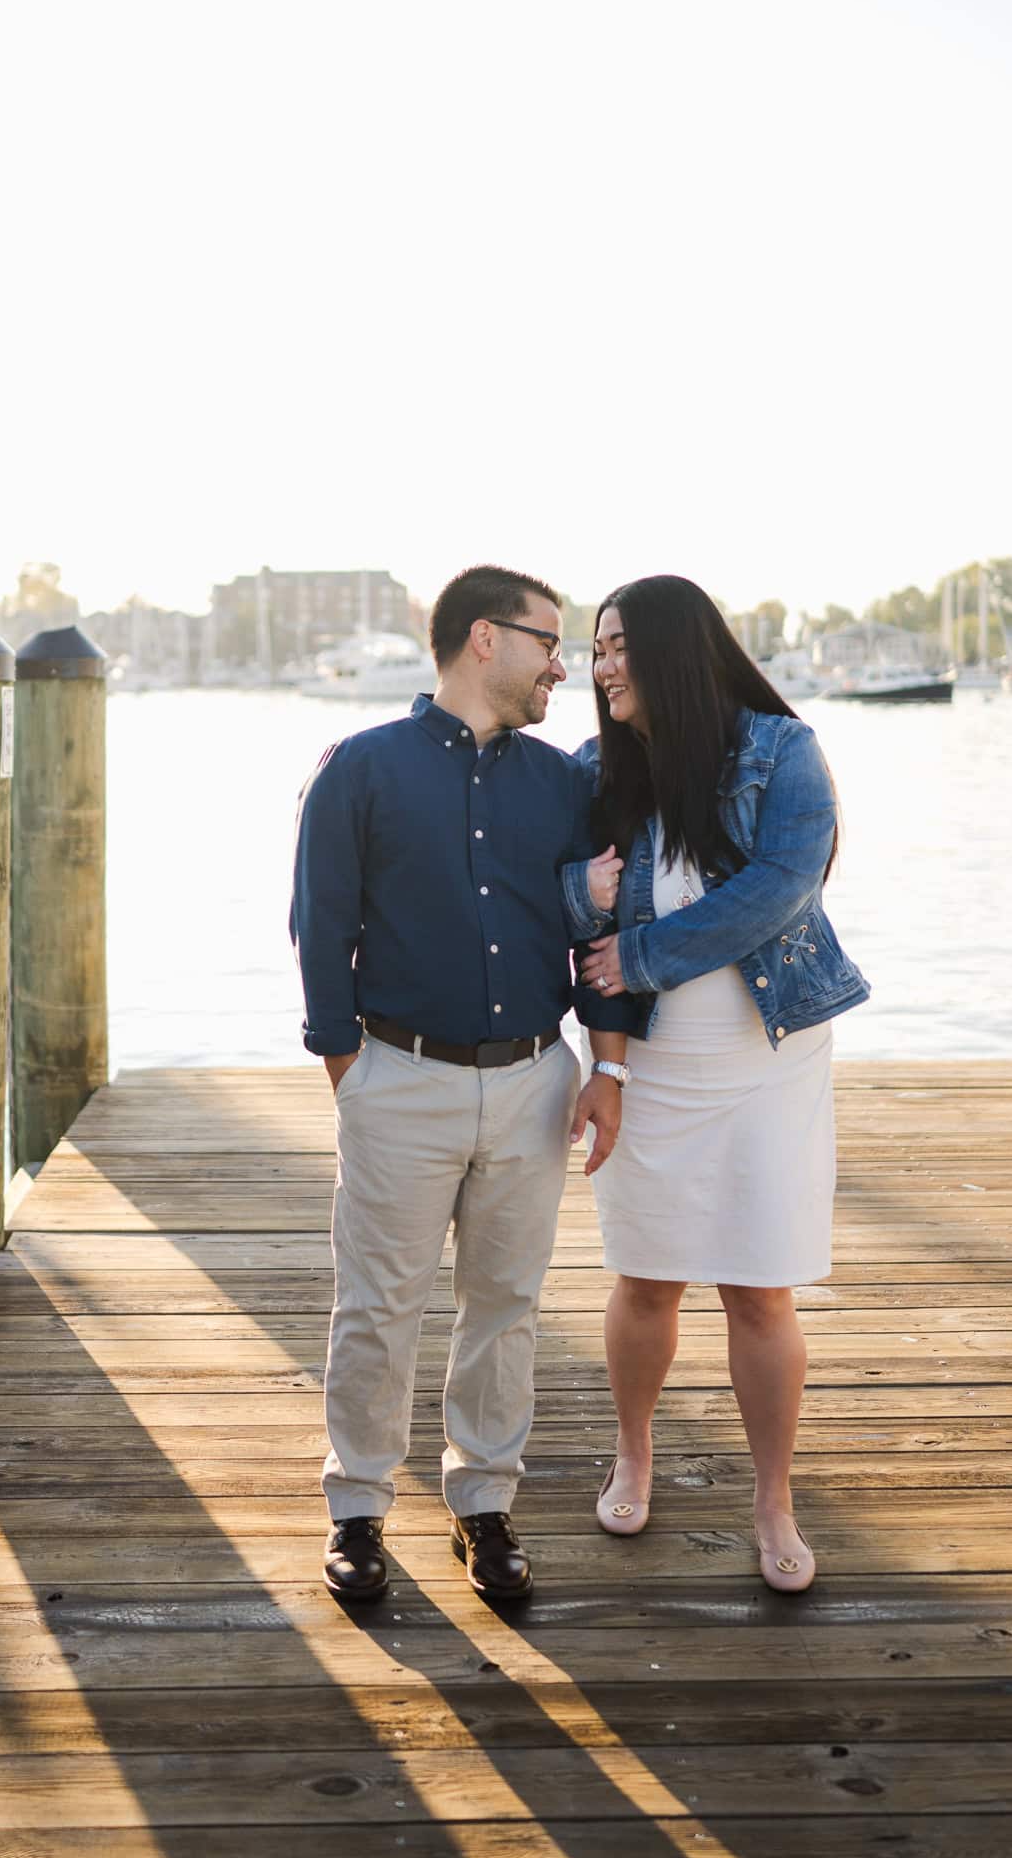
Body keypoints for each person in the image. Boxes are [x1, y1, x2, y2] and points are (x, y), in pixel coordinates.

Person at [291, 564, 626, 1606]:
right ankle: (357, 1510)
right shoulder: (360, 768)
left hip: (533, 1079)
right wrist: (352, 1064)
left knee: (506, 1307)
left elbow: (602, 934)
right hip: (400, 1078)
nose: (562, 667)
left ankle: (484, 1501)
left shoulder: (563, 783)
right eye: (549, 643)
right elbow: (320, 922)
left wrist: (606, 1060)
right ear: (485, 640)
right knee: (377, 1308)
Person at [563, 575, 869, 1591]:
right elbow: (552, 892)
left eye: (615, 647)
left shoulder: (785, 754)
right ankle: (634, 1451)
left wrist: (642, 954)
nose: (600, 665)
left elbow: (782, 890)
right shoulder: (595, 772)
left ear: (672, 650)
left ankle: (774, 1499)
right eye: (593, 648)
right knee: (646, 1276)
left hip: (766, 1061)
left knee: (759, 1286)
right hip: (646, 1062)